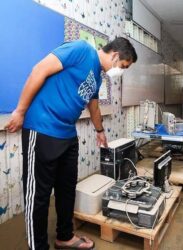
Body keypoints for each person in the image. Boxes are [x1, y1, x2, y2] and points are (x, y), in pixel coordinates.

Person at [5, 37, 137, 250]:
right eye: (123, 66)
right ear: (115, 56)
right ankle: (37, 246)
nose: (121, 71)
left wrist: (100, 131)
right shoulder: (81, 50)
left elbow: (93, 107)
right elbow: (39, 70)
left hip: (67, 135)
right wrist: (20, 111)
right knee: (39, 194)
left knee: (67, 190)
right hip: (42, 128)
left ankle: (64, 237)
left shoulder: (98, 77)